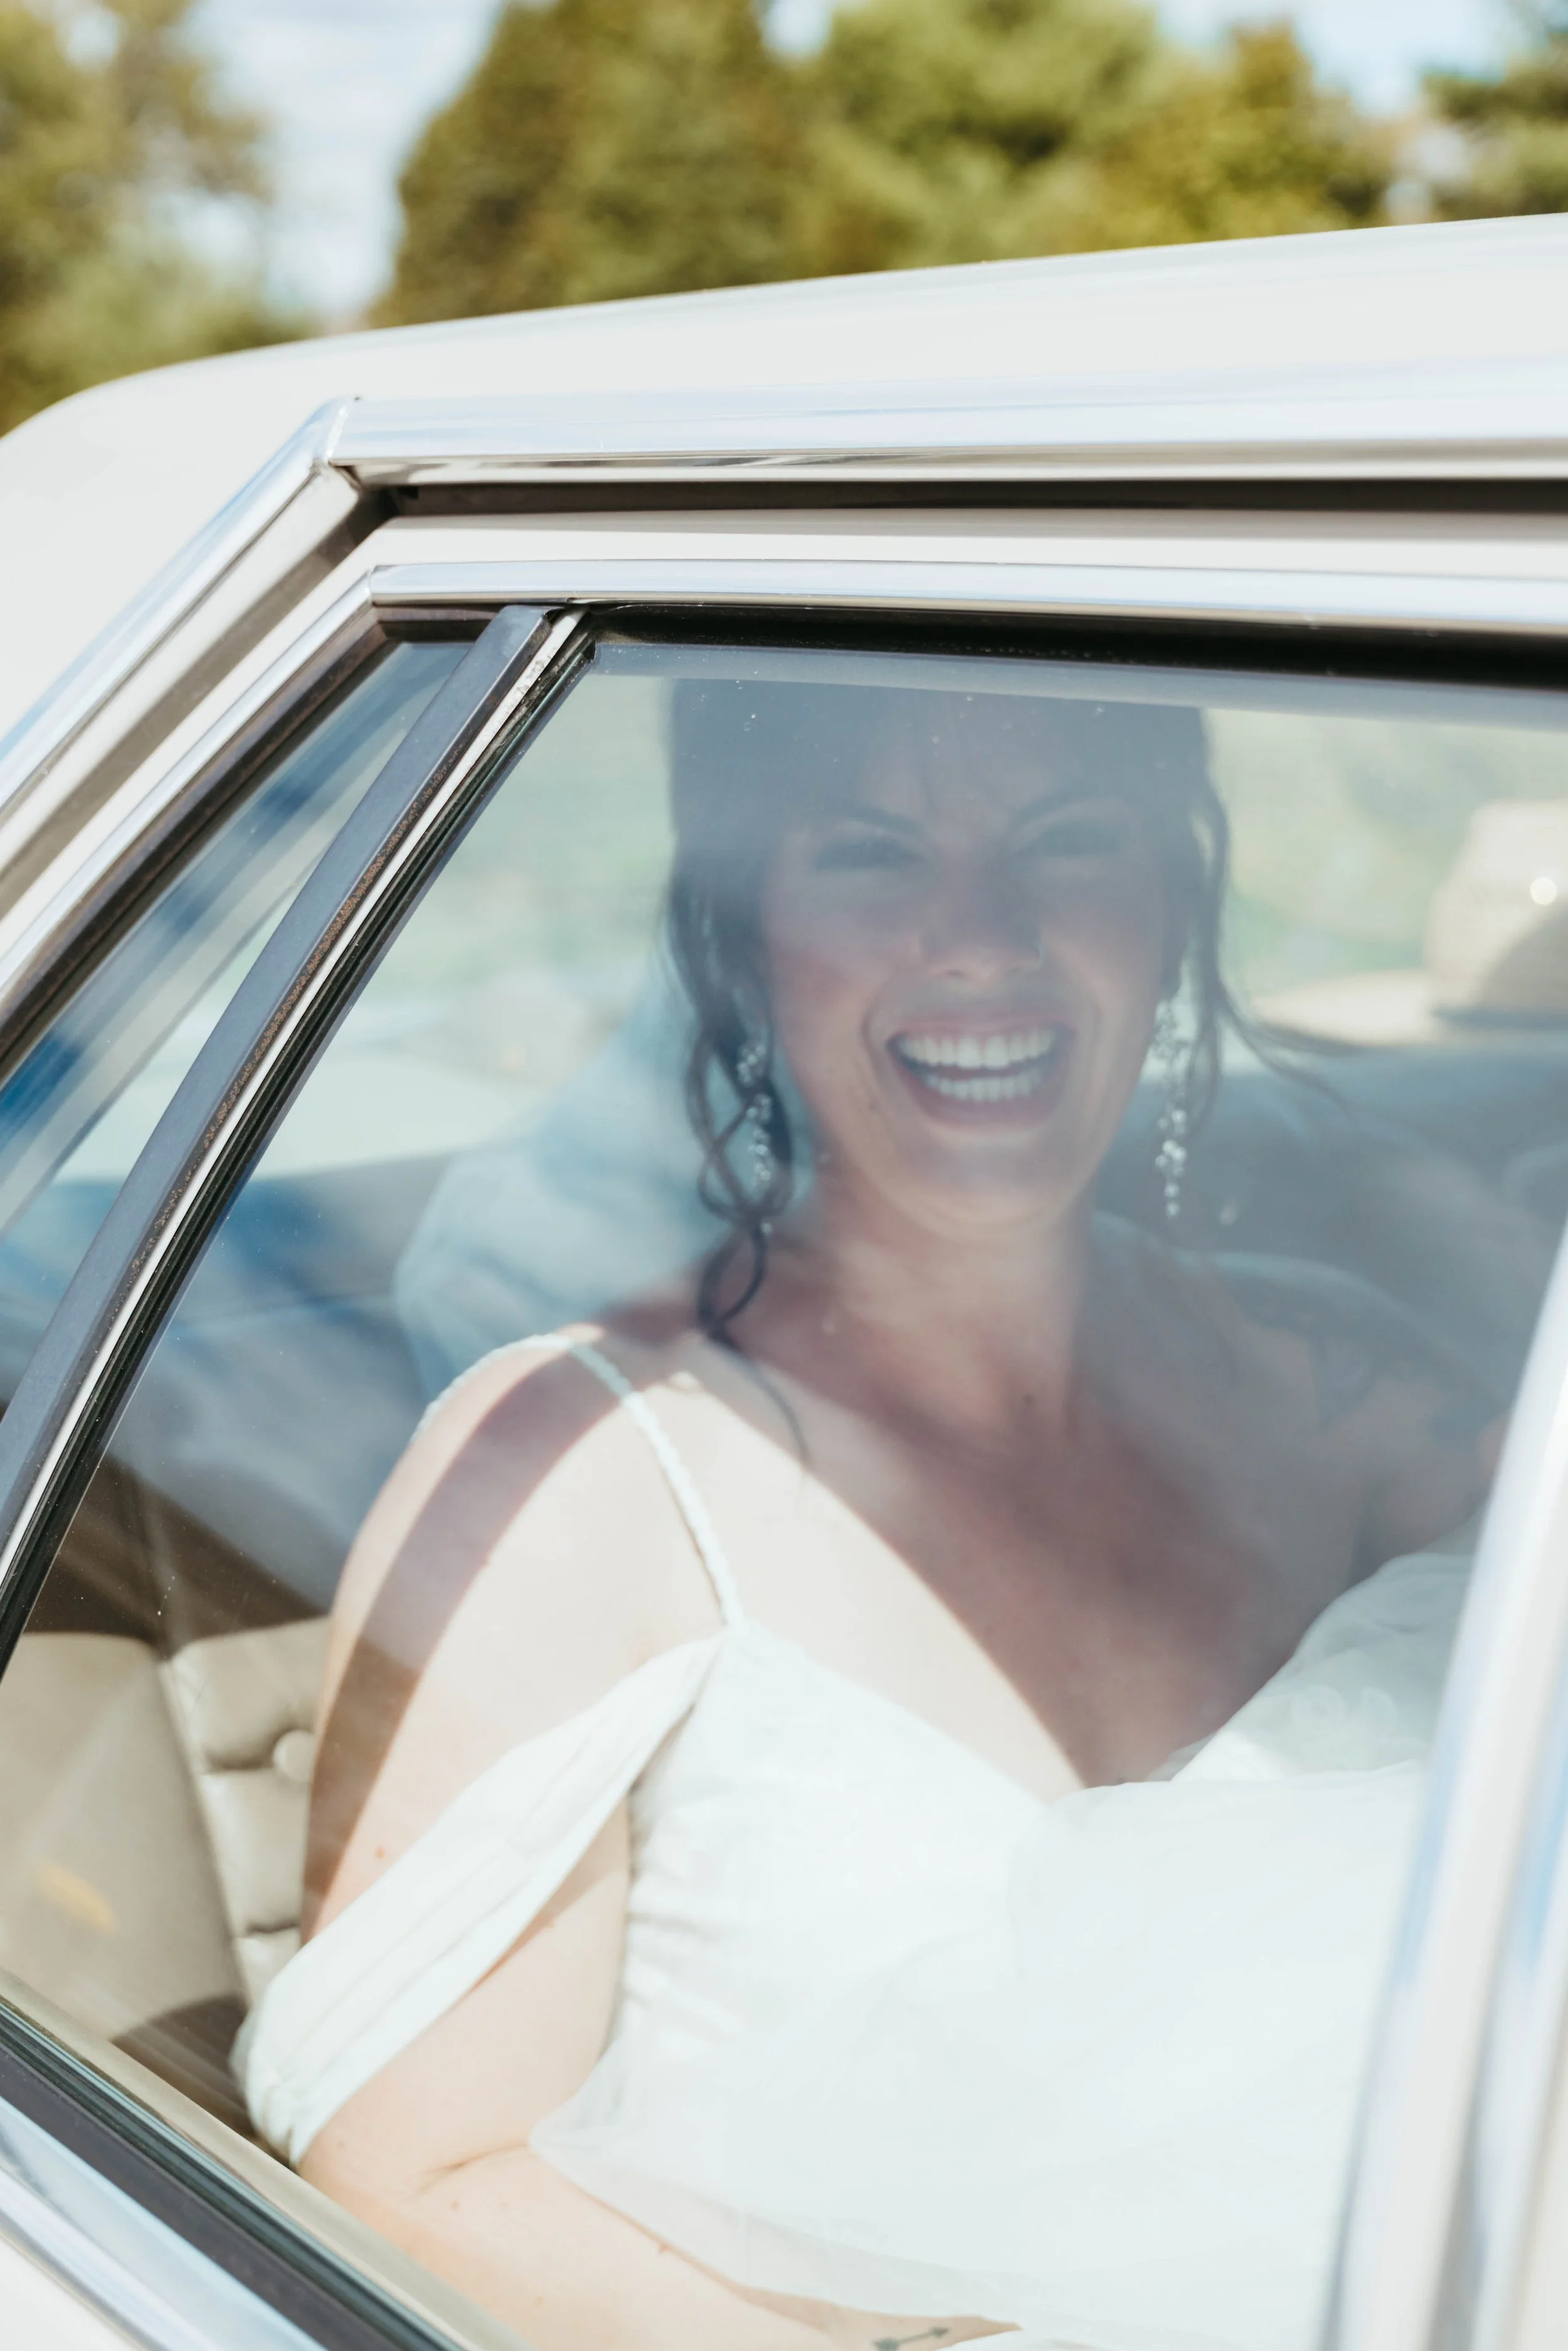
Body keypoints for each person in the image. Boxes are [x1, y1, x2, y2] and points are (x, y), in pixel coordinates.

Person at [239, 678, 1498, 2351]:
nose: (979, 935)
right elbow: (415, 2184)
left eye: (1067, 842)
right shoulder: (573, 1471)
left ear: (1170, 900)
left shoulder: (1333, 1383)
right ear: (744, 933)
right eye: (868, 857)